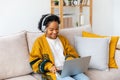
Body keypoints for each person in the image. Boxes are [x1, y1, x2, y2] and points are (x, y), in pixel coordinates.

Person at [29, 14, 90, 80]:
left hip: (68, 69)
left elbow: (72, 53)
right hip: (54, 72)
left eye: (57, 29)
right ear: (45, 29)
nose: (55, 32)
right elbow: (34, 61)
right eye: (51, 30)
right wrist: (49, 66)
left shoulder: (62, 39)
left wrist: (69, 61)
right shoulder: (39, 42)